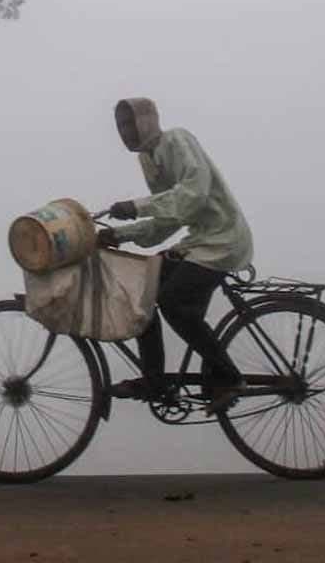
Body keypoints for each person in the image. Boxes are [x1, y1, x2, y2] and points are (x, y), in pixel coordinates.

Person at [97, 98, 253, 415]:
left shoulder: (177, 140)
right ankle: (156, 380)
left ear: (147, 120)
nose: (125, 132)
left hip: (223, 239)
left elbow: (192, 196)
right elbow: (169, 219)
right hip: (198, 242)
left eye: (130, 123)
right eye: (120, 126)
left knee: (172, 302)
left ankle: (230, 377)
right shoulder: (149, 160)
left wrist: (137, 206)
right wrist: (119, 234)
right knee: (145, 290)